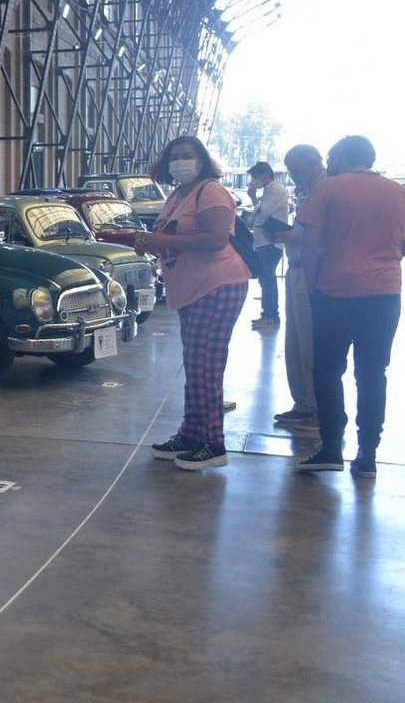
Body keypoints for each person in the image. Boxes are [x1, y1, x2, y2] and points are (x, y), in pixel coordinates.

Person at [136, 136, 252, 471]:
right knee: (195, 363)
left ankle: (213, 443)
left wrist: (163, 240)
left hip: (216, 285)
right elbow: (174, 238)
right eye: (175, 156)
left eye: (188, 156)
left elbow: (216, 240)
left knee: (206, 366)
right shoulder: (177, 195)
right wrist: (151, 242)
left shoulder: (211, 192)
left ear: (202, 160)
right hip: (191, 288)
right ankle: (190, 433)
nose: (180, 162)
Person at [292, 136, 405, 478]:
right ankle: (367, 454)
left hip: (335, 292)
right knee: (372, 373)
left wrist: (311, 286)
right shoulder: (397, 191)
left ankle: (330, 448)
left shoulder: (327, 189)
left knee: (327, 371)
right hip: (384, 296)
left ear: (339, 157)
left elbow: (310, 245)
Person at [268, 145, 326, 432]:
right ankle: (304, 403)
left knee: (310, 342)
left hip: (312, 272)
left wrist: (287, 234)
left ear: (314, 160)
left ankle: (316, 408)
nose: (292, 174)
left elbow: (316, 235)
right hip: (297, 268)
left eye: (295, 167)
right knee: (296, 341)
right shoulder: (307, 190)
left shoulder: (325, 190)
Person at [246, 161, 290, 330]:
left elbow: (263, 213)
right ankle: (268, 314)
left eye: (256, 177)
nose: (254, 180)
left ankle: (270, 315)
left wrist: (253, 199)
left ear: (265, 174)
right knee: (266, 279)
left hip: (270, 242)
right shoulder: (269, 191)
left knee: (268, 279)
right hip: (264, 241)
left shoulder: (276, 190)